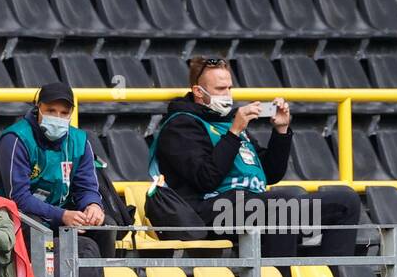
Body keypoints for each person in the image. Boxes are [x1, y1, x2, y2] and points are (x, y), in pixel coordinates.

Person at [152, 56, 362, 261]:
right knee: (282, 203)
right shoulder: (180, 126)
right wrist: (234, 133)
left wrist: (281, 131)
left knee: (346, 201)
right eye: (220, 89)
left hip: (251, 205)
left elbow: (270, 174)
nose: (227, 94)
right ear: (198, 91)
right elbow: (206, 179)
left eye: (229, 88)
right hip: (209, 212)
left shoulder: (228, 121)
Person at [0, 81, 104, 234]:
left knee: (105, 225)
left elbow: (86, 187)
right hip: (20, 214)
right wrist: (61, 215)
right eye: (50, 110)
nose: (58, 117)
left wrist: (93, 205)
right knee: (35, 226)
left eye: (64, 113)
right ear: (38, 107)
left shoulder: (79, 141)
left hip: (63, 213)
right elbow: (18, 198)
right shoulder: (16, 139)